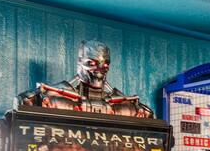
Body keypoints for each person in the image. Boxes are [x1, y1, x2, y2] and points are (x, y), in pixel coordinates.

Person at [16, 40, 151, 117]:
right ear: (80, 63)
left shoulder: (128, 104)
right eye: (91, 63)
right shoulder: (49, 95)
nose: (99, 70)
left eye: (105, 65)